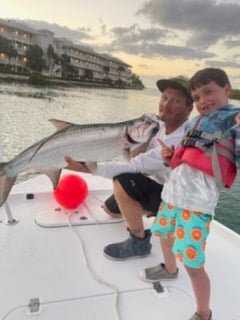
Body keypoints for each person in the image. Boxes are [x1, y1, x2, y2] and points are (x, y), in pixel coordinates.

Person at [139, 68, 240, 320]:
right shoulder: (194, 123)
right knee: (162, 232)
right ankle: (169, 269)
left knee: (193, 262)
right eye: (196, 97)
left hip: (196, 203)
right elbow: (183, 160)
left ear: (227, 89)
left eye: (209, 92)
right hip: (173, 194)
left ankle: (203, 313)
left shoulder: (235, 120)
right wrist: (169, 157)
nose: (202, 101)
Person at [65, 78, 193, 259]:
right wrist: (143, 136)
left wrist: (88, 168)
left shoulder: (180, 140)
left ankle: (139, 242)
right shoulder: (160, 127)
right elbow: (136, 157)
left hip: (174, 198)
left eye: (176, 101)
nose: (166, 105)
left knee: (123, 180)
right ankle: (146, 211)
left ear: (189, 109)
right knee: (110, 210)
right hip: (156, 185)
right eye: (164, 98)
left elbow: (134, 166)